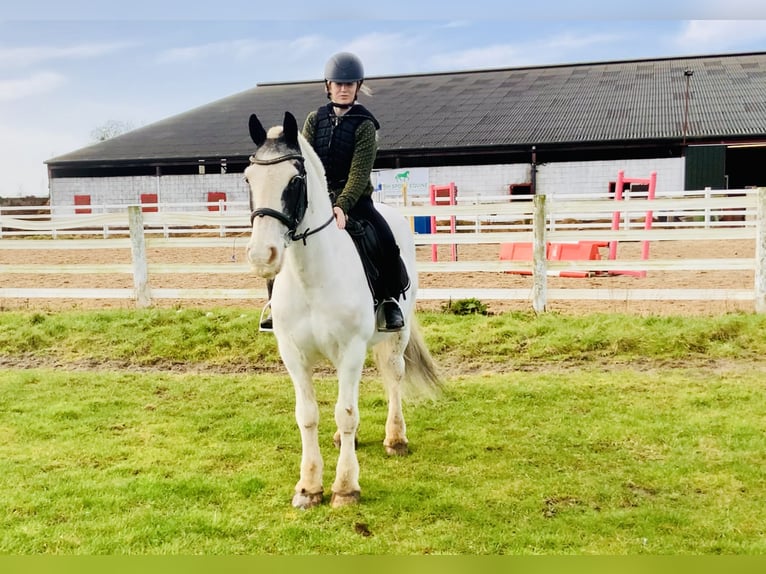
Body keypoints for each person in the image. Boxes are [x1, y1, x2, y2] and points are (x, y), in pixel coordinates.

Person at [260, 51, 405, 332]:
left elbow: (359, 173)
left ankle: (388, 302)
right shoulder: (315, 119)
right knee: (282, 238)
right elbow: (304, 161)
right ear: (328, 86)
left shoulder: (365, 124)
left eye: (348, 84)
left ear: (357, 87)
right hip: (316, 200)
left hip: (355, 200)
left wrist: (342, 205)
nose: (343, 89)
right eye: (338, 84)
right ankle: (274, 304)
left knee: (385, 240)